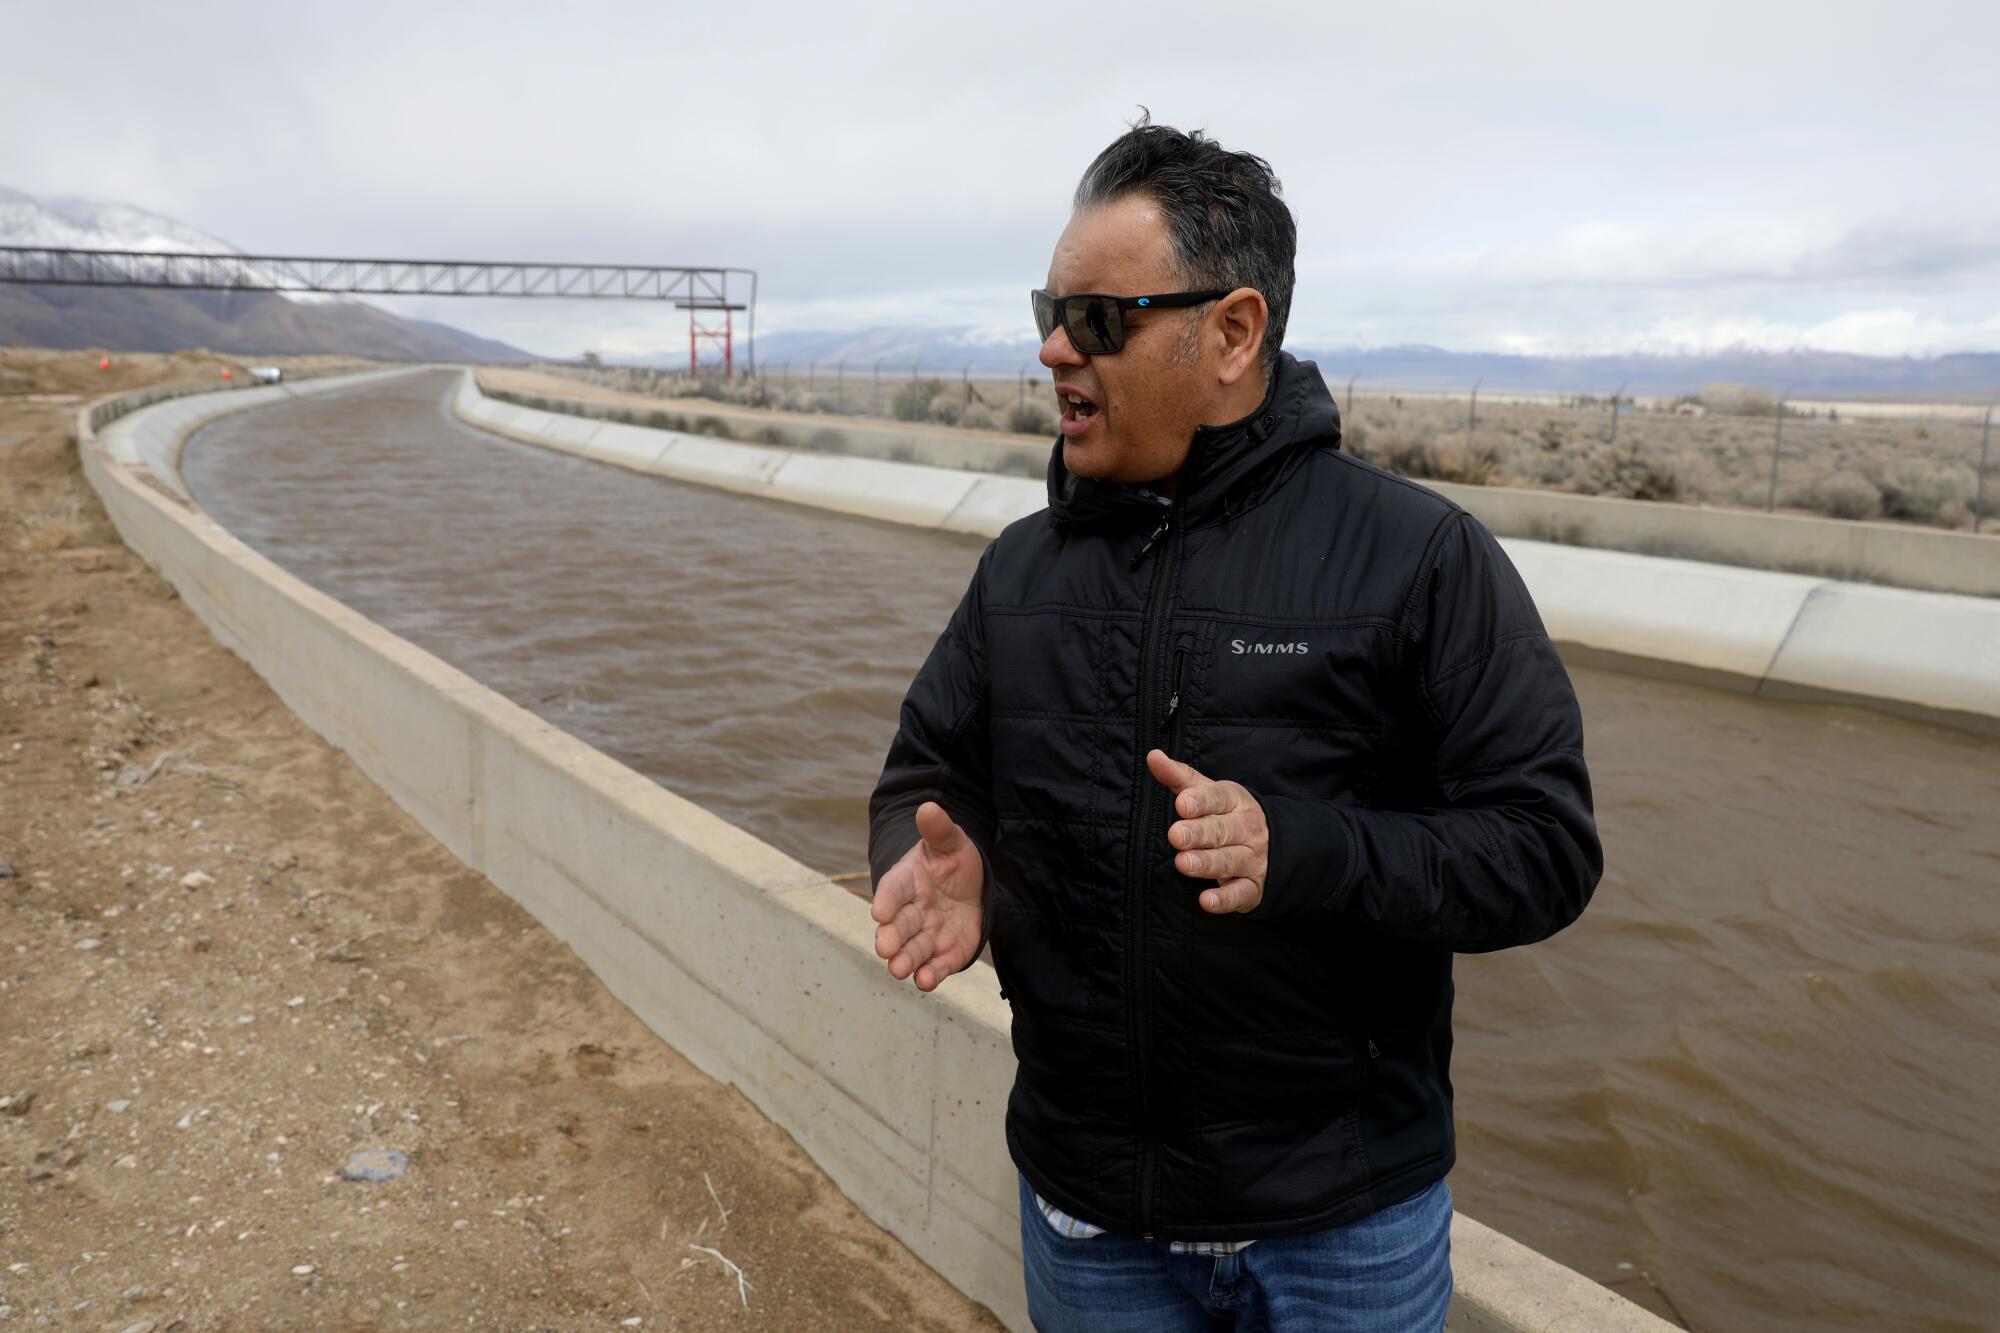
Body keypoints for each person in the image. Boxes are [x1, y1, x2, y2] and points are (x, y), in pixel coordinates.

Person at [867, 115, 1602, 1333]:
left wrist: (1301, 851)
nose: (1053, 347)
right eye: (1046, 308)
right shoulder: (1017, 572)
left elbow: (1541, 848)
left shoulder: (1418, 558)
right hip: (1088, 1217)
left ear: (1231, 330)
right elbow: (931, 775)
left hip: (1341, 1231)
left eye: (1098, 319)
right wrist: (946, 864)